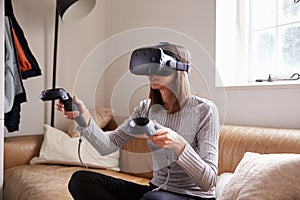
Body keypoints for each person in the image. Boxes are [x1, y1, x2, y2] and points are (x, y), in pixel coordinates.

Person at [56, 42, 220, 200]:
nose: (151, 73)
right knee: (81, 180)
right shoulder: (146, 108)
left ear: (179, 70)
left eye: (158, 67)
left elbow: (209, 181)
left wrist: (178, 144)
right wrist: (83, 118)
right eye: (149, 67)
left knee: (153, 199)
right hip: (156, 190)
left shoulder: (205, 110)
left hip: (194, 196)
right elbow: (108, 145)